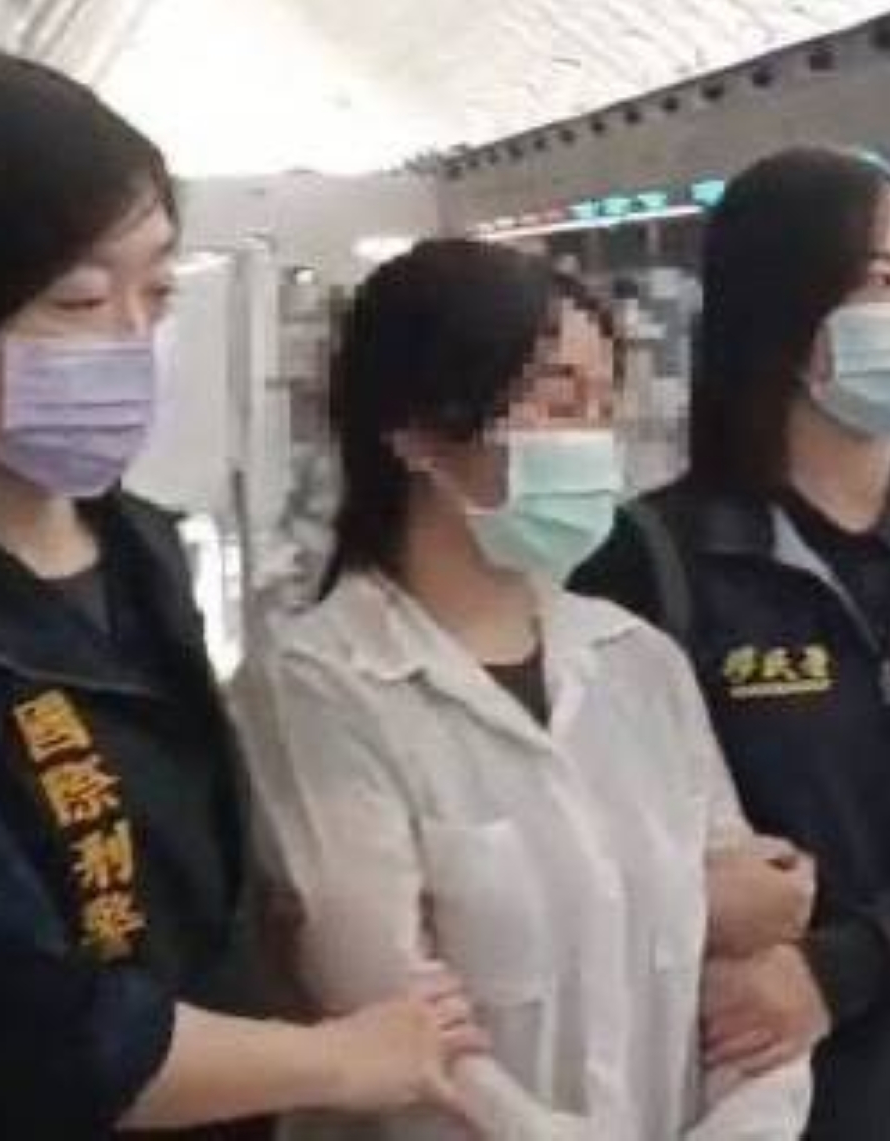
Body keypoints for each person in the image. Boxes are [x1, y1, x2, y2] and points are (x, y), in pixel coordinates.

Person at [0, 54, 485, 1140]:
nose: (131, 342)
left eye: (156, 293)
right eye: (75, 299)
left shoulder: (138, 548)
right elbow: (18, 1028)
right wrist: (339, 1059)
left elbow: (189, 895)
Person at [233, 239, 814, 1139]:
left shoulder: (638, 662)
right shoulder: (318, 688)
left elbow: (751, 979)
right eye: (558, 398)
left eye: (605, 405)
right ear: (418, 431)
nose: (593, 439)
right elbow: (403, 1034)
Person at [572, 147, 890, 1141]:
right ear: (783, 314)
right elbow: (587, 841)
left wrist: (847, 969)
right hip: (739, 1074)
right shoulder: (654, 560)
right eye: (881, 281)